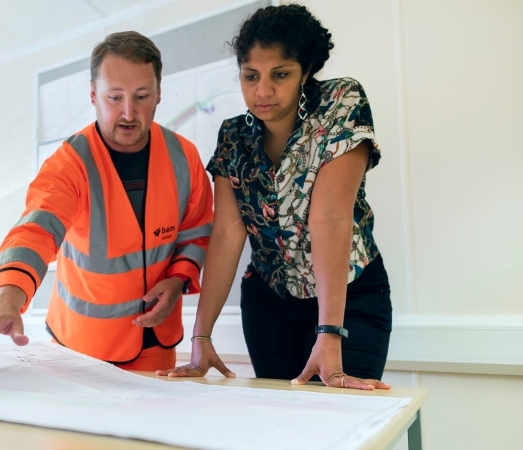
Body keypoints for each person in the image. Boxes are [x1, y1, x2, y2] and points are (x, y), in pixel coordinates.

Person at [0, 31, 214, 372]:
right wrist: (6, 299)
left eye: (141, 96)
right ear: (93, 95)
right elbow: (35, 230)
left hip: (157, 343)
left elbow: (196, 231)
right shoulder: (69, 163)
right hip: (81, 348)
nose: (128, 112)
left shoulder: (185, 157)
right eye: (114, 97)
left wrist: (179, 278)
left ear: (159, 95)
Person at [157, 4, 392, 391]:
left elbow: (329, 217)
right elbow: (229, 234)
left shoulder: (340, 102)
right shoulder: (233, 136)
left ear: (306, 71)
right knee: (281, 426)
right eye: (251, 76)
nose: (262, 91)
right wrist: (201, 338)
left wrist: (329, 332)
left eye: (280, 75)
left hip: (349, 298)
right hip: (268, 304)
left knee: (338, 421)